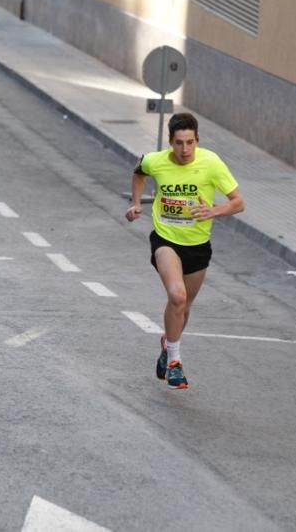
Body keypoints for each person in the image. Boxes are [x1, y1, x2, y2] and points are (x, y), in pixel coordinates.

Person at [125, 112, 245, 389]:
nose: (185, 150)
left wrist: (214, 210)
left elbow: (239, 202)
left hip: (198, 245)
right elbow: (138, 170)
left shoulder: (211, 163)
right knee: (176, 296)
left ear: (197, 140)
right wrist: (136, 203)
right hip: (166, 240)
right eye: (179, 143)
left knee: (184, 306)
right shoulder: (155, 161)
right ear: (170, 142)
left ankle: (168, 343)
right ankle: (175, 363)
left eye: (190, 142)